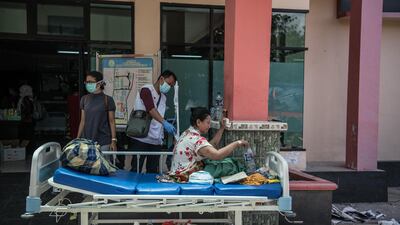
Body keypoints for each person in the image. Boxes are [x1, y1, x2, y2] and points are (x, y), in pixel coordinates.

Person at [169, 107, 249, 182]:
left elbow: (211, 145)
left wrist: (222, 128)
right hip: (184, 176)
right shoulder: (195, 139)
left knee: (222, 162)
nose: (209, 126)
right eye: (208, 123)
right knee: (230, 166)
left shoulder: (187, 133)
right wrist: (238, 143)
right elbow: (217, 155)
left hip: (178, 172)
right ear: (198, 122)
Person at [127, 70, 177, 173]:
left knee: (153, 171)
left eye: (171, 86)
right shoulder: (146, 90)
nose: (169, 88)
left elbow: (159, 115)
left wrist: (166, 123)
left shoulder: (163, 98)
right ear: (161, 79)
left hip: (156, 140)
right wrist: (164, 122)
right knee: (136, 168)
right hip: (141, 138)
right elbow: (151, 109)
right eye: (169, 84)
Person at [77, 71, 117, 155]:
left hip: (103, 141)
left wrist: (113, 140)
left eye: (90, 82)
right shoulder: (84, 99)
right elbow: (82, 121)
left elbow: (112, 122)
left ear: (99, 84)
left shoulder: (108, 100)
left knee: (103, 166)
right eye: (86, 82)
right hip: (86, 142)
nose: (88, 84)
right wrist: (77, 139)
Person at [17, 84, 36, 154]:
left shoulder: (24, 100)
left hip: (26, 121)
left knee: (26, 137)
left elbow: (25, 111)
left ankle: (24, 151)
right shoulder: (28, 99)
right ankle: (26, 151)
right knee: (28, 137)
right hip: (28, 121)